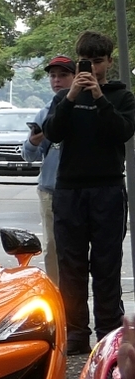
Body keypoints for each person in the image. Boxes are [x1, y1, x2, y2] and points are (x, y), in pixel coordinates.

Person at [39, 32, 135, 352]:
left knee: (107, 264)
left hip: (107, 188)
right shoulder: (64, 97)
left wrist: (99, 98)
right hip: (69, 191)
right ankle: (76, 333)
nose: (92, 68)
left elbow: (121, 132)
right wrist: (71, 97)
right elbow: (52, 132)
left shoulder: (122, 97)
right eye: (86, 61)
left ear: (109, 61)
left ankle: (108, 333)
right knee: (71, 265)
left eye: (98, 61)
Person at [30, 54, 73, 263]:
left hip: (79, 188)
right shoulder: (45, 112)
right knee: (52, 247)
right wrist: (34, 141)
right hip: (50, 189)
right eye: (53, 76)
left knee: (79, 246)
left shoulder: (86, 107)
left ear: (76, 77)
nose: (57, 80)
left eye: (63, 75)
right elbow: (29, 154)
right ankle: (56, 293)